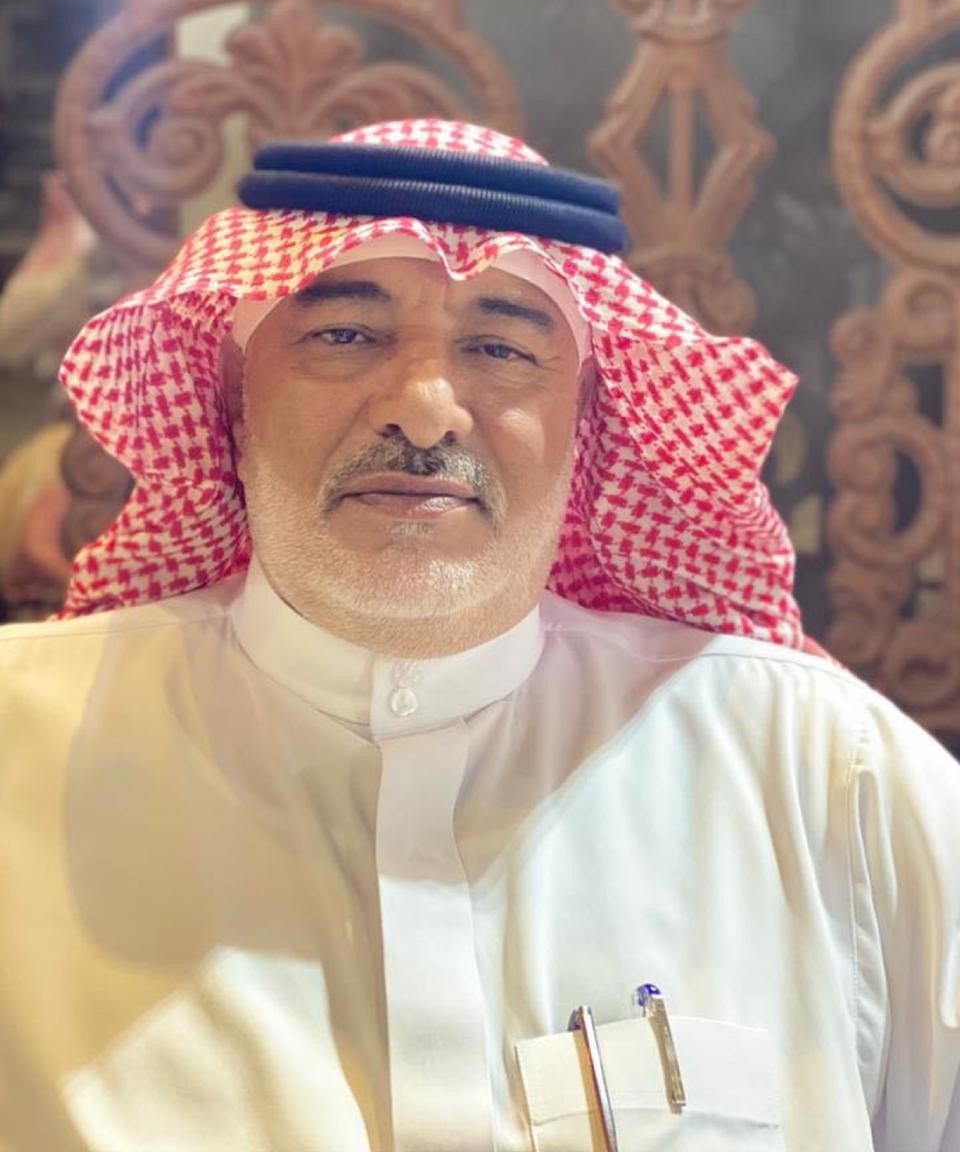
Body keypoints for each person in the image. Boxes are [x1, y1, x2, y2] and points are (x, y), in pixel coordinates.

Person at [0, 118, 957, 1152]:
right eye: (344, 335)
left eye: (500, 349)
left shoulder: (827, 776)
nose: (424, 410)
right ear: (230, 403)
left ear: (585, 421)